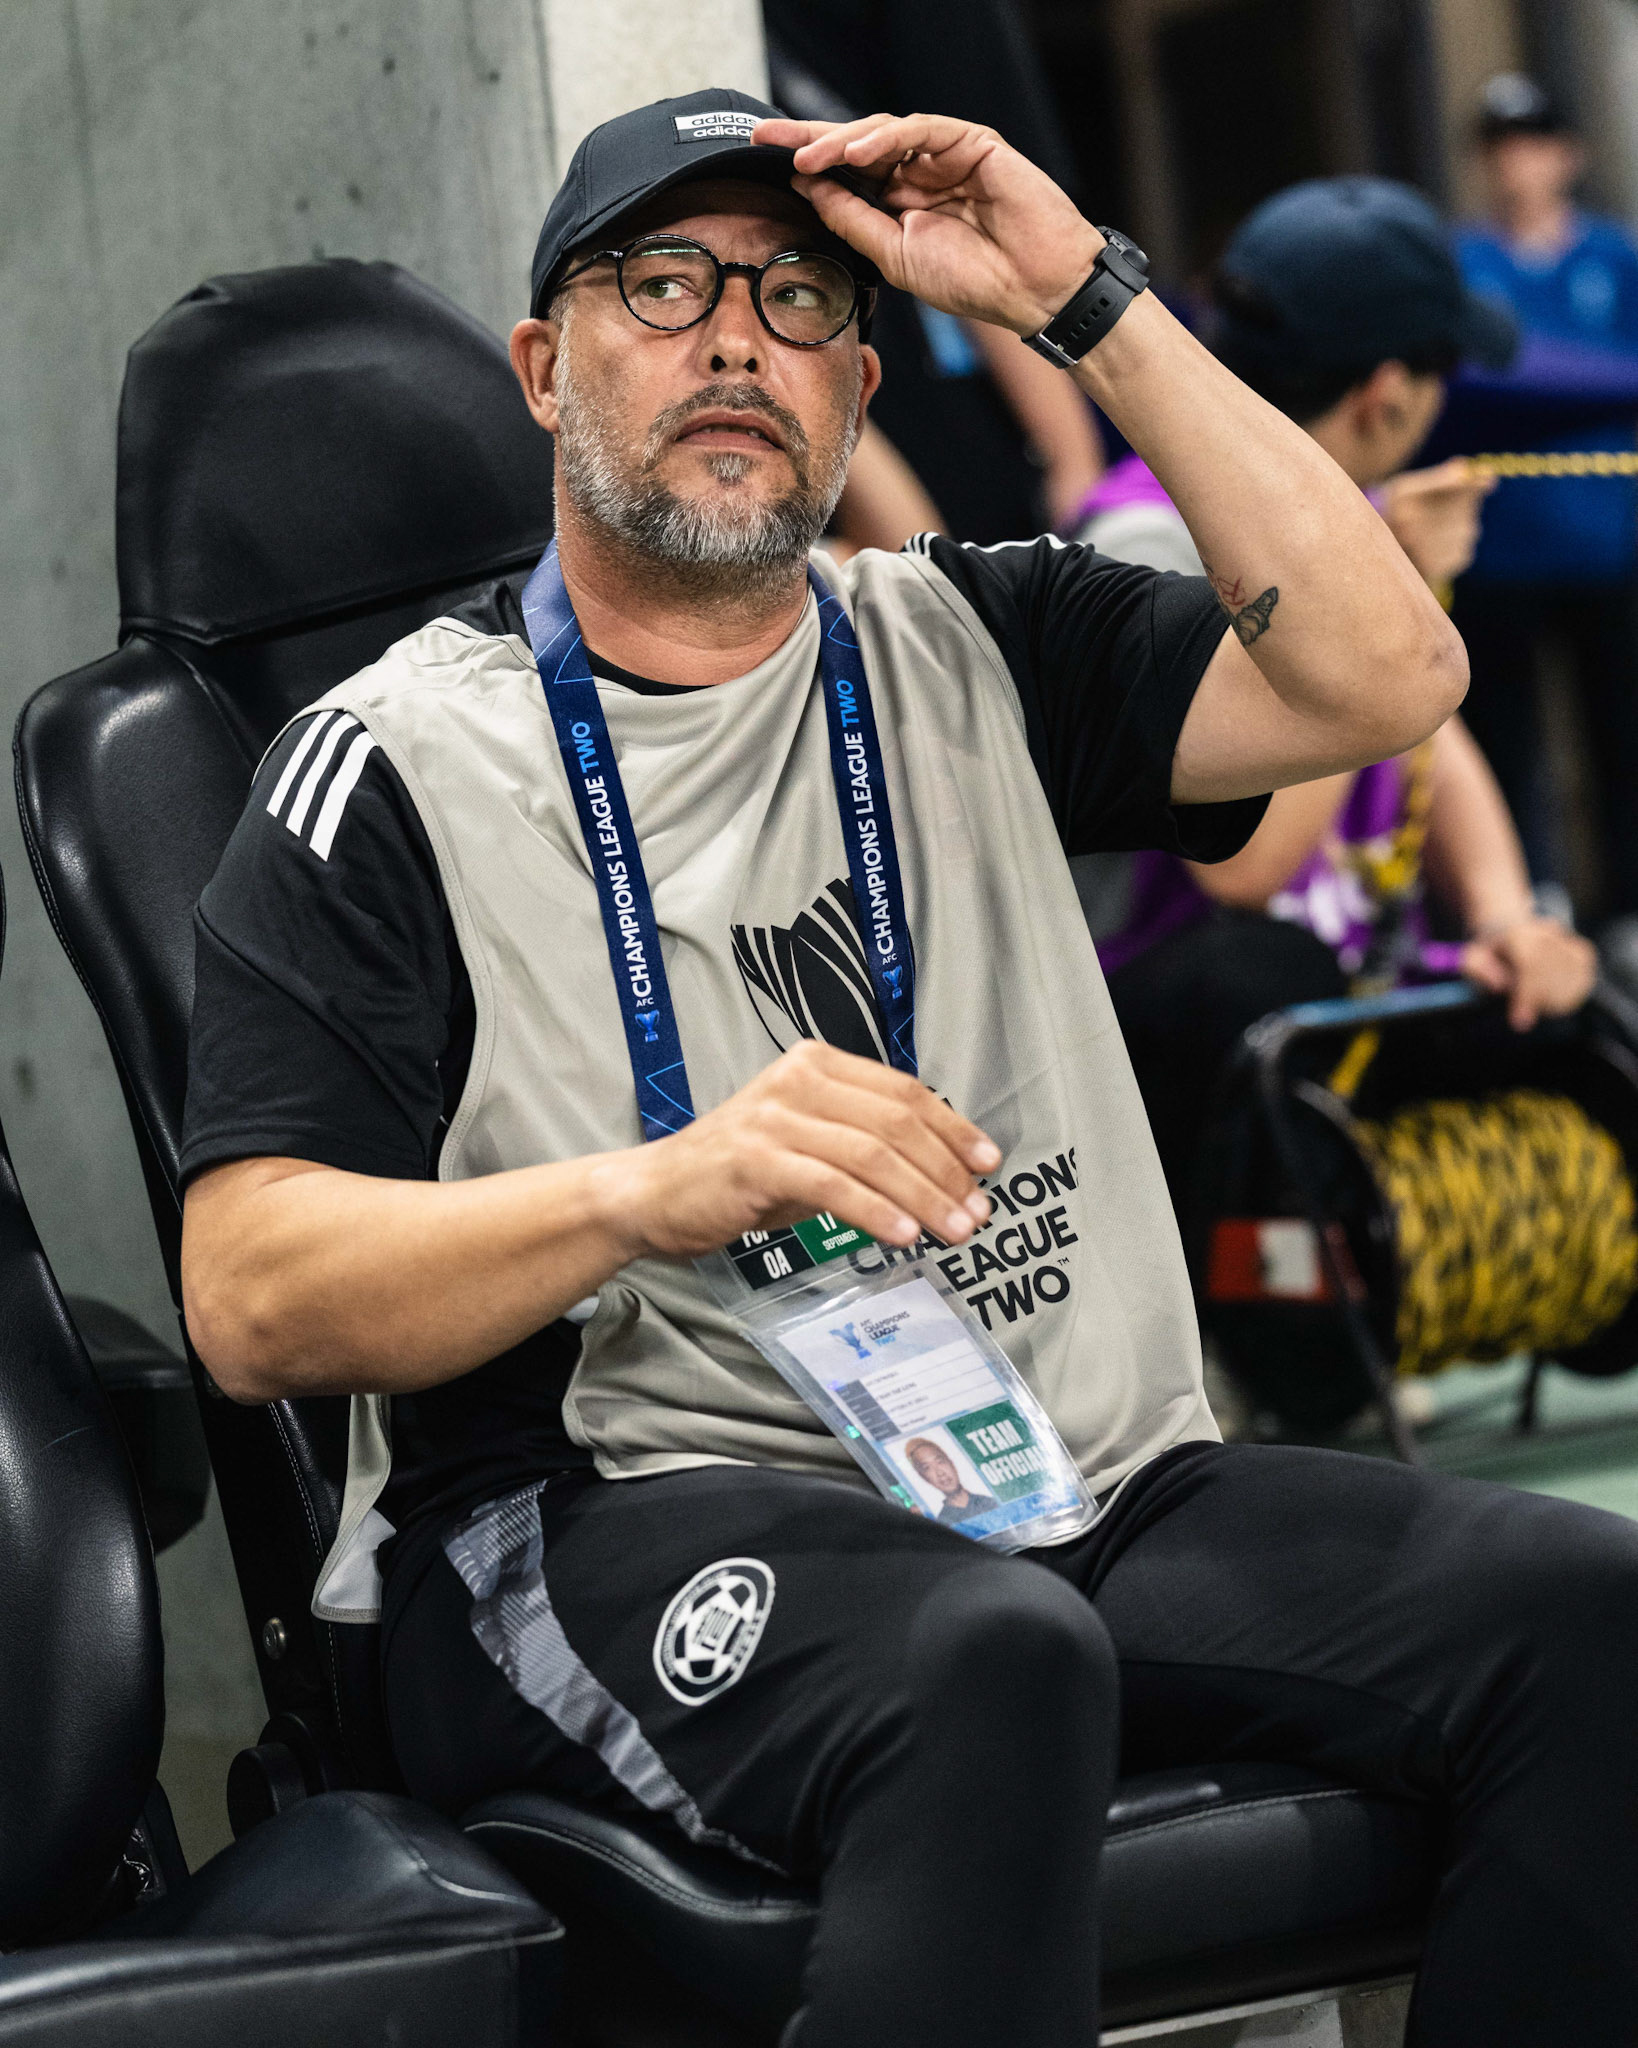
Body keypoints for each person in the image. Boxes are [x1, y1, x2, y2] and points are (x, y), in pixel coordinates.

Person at [177, 89, 1638, 2048]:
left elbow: (1387, 678)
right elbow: (250, 1294)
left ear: (857, 390)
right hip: (604, 1502)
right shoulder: (395, 764)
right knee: (988, 1660)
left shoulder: (971, 637)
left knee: (1588, 1612)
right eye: (665, 283)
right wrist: (652, 1187)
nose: (734, 338)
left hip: (1072, 1483)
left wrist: (1081, 295)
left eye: (797, 299)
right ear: (542, 367)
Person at [1078, 178, 1596, 1204]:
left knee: (1562, 1013)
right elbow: (1242, 871)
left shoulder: (1338, 510)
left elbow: (1427, 731)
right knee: (1266, 975)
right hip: (1184, 1032)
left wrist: (1507, 919)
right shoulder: (1143, 541)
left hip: (1336, 983)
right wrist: (1380, 596)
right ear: (1388, 394)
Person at [1453, 73, 1638, 942]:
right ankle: (1525, 905)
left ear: (1568, 155)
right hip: (1498, 550)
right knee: (1504, 742)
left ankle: (1626, 907)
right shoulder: (1466, 264)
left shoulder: (1614, 258)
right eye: (1500, 147)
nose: (1516, 164)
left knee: (1620, 736)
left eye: (1531, 144)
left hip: (1607, 548)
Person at [904, 1437, 998, 1525]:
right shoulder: (942, 1523)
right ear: (924, 1477)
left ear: (951, 1463)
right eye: (927, 1468)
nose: (940, 1473)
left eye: (940, 1461)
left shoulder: (990, 1501)